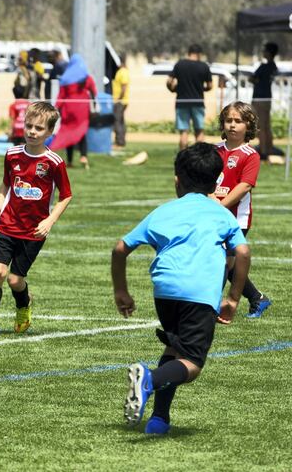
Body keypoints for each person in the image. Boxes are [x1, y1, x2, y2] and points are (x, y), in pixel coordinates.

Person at [112, 142, 250, 434]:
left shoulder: (163, 211)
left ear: (177, 179)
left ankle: (159, 419)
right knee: (193, 363)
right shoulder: (221, 213)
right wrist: (234, 299)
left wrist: (121, 292)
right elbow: (243, 253)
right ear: (216, 183)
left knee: (175, 347)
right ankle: (148, 379)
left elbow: (120, 248)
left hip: (164, 291)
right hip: (199, 294)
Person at [0, 102, 72, 339]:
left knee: (15, 280)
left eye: (39, 128)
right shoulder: (12, 154)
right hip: (7, 225)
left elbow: (66, 196)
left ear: (49, 132)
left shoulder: (54, 162)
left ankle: (23, 306)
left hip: (33, 231)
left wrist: (50, 221)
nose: (32, 132)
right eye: (29, 126)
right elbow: (6, 183)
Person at [213, 102, 272, 318]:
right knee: (226, 264)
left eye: (238, 121)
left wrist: (221, 204)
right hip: (214, 216)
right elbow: (206, 179)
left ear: (249, 126)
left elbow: (245, 185)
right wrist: (210, 198)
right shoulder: (214, 151)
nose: (232, 125)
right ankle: (258, 298)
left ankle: (208, 307)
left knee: (225, 263)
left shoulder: (250, 155)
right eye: (229, 120)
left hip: (237, 219)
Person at [53, 54, 97, 169]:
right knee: (81, 132)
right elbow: (93, 91)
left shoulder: (66, 78)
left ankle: (70, 161)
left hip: (68, 109)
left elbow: (61, 96)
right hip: (82, 108)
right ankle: (83, 156)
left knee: (69, 133)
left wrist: (56, 108)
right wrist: (94, 105)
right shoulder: (86, 77)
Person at [166, 44, 212, 149]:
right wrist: (201, 89)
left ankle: (183, 158)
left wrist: (173, 89)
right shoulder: (204, 66)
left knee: (184, 132)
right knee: (199, 131)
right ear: (199, 54)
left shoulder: (179, 64)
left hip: (182, 102)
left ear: (189, 52)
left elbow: (169, 81)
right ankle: (199, 157)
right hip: (198, 102)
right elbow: (210, 85)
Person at [249, 42, 279, 160]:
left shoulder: (264, 66)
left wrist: (254, 80)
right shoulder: (273, 66)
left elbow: (253, 79)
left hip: (259, 98)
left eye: (265, 50)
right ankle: (269, 147)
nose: (263, 52)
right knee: (267, 125)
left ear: (269, 52)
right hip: (267, 98)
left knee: (260, 125)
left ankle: (263, 151)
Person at [112, 54, 130, 148]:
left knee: (117, 121)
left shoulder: (123, 72)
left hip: (120, 101)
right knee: (121, 121)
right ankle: (121, 141)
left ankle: (119, 142)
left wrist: (118, 99)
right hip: (122, 101)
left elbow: (124, 87)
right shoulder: (123, 71)